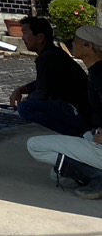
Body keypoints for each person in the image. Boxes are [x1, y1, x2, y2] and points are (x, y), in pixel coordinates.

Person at [26, 24, 102, 198]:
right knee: (59, 174)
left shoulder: (99, 74)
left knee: (35, 146)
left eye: (76, 41)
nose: (72, 44)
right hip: (95, 135)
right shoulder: (95, 71)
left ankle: (98, 177)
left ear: (89, 46)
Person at [9, 15, 91, 136]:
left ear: (40, 37)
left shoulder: (49, 58)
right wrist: (23, 89)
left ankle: (76, 133)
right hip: (79, 109)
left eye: (25, 33)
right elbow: (44, 81)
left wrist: (27, 99)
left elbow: (41, 93)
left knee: (26, 107)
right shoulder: (53, 54)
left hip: (78, 112)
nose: (23, 38)